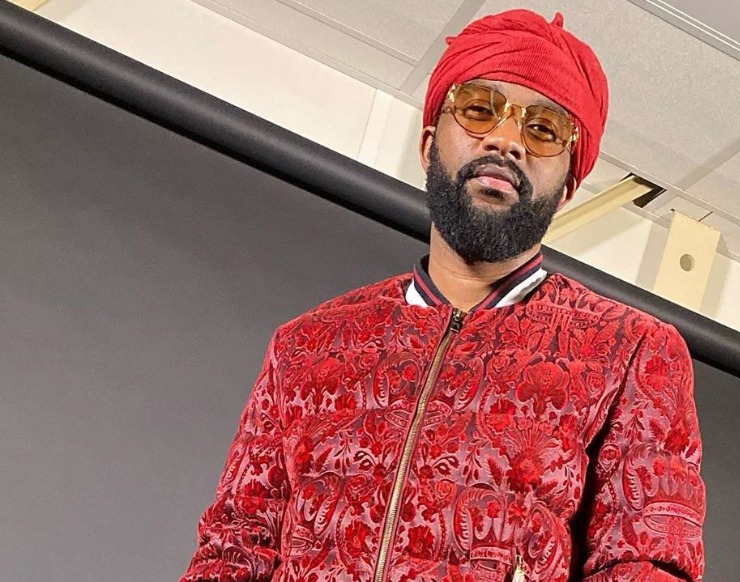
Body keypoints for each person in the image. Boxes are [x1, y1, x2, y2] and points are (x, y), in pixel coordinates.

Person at [180, 9, 705, 582]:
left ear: (568, 187)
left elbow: (649, 566)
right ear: (429, 145)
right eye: (479, 109)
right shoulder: (305, 346)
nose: (507, 140)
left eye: (543, 130)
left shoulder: (632, 352)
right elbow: (232, 549)